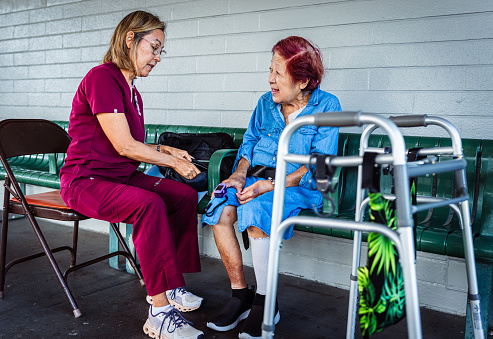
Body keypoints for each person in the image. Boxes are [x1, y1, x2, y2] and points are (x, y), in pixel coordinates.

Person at [59, 11, 204, 339]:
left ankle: (173, 286)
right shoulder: (102, 78)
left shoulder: (133, 92)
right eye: (154, 47)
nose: (157, 57)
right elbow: (125, 146)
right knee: (148, 204)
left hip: (119, 176)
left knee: (182, 195)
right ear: (130, 40)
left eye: (160, 50)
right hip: (85, 180)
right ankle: (159, 312)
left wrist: (167, 152)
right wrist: (174, 165)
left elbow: (129, 144)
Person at [202, 36, 341, 338]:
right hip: (258, 179)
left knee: (257, 206)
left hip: (300, 185)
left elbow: (319, 165)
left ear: (303, 81)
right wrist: (240, 173)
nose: (270, 80)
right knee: (220, 202)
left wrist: (270, 185)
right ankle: (241, 295)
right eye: (270, 70)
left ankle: (267, 305)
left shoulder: (327, 105)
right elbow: (250, 142)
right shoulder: (267, 103)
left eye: (278, 73)